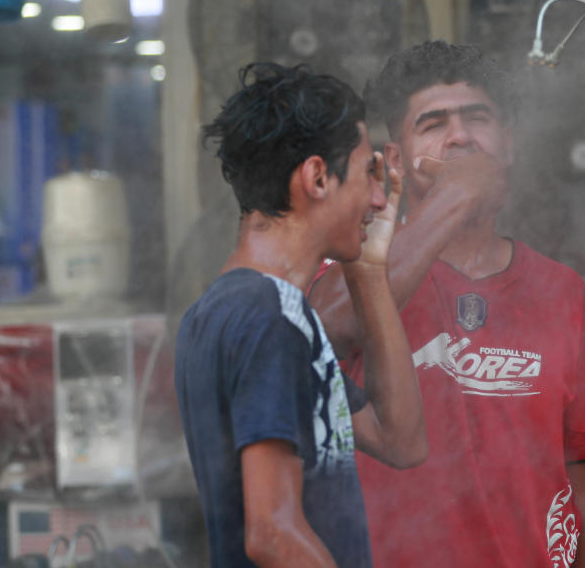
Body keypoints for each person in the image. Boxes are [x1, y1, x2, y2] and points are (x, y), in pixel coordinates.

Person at [309, 41, 585, 568]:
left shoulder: (564, 292)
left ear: (507, 144)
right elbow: (325, 328)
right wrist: (456, 197)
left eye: (477, 119)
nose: (460, 136)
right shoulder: (347, 273)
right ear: (395, 160)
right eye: (433, 124)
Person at [174, 62, 427, 568]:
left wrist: (369, 271)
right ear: (316, 178)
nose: (380, 199)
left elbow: (399, 440)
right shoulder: (268, 316)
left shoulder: (232, 310)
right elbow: (271, 533)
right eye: (365, 176)